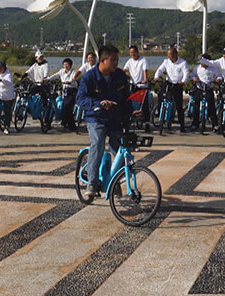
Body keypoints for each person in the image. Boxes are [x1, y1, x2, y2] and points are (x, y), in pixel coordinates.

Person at [76, 44, 132, 198]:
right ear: (102, 60)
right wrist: (99, 104)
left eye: (117, 60)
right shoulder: (89, 77)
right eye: (113, 60)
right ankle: (92, 183)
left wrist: (133, 111)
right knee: (98, 144)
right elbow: (80, 99)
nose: (116, 63)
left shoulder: (120, 76)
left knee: (121, 150)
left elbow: (126, 98)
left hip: (115, 118)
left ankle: (114, 182)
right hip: (96, 118)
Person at [154, 46, 190, 133]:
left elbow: (186, 73)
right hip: (168, 82)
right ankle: (159, 111)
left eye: (171, 55)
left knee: (178, 105)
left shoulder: (183, 63)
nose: (169, 57)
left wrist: (183, 81)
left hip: (177, 84)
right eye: (168, 55)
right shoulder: (166, 62)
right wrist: (156, 76)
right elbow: (160, 70)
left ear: (175, 54)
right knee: (160, 94)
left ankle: (182, 126)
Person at [48, 58, 79, 131]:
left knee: (68, 107)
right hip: (65, 91)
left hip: (72, 90)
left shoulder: (74, 72)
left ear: (70, 65)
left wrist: (70, 81)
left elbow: (74, 79)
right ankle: (67, 123)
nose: (65, 66)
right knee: (64, 106)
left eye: (67, 65)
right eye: (64, 64)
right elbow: (55, 76)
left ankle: (68, 124)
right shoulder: (61, 71)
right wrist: (47, 79)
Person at [190, 53, 219, 130]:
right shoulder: (197, 68)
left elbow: (219, 76)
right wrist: (194, 79)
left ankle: (215, 124)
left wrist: (218, 79)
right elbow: (192, 76)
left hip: (209, 88)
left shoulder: (213, 68)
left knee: (211, 107)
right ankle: (195, 123)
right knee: (196, 106)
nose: (201, 63)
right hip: (199, 88)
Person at [123, 45, 150, 127]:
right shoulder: (130, 61)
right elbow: (124, 70)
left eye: (134, 52)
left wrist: (145, 79)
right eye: (131, 52)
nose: (133, 54)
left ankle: (147, 123)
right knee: (131, 103)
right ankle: (130, 120)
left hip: (142, 85)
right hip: (133, 84)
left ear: (137, 52)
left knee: (144, 104)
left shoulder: (143, 60)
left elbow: (145, 70)